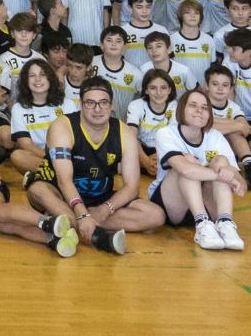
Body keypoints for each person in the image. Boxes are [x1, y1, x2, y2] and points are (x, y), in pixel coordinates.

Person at [25, 77, 166, 253]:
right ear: (81, 105)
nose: (97, 109)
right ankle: (97, 235)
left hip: (99, 198)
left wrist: (104, 210)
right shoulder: (62, 126)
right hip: (61, 193)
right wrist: (82, 215)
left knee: (155, 216)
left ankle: (61, 220)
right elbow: (64, 181)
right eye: (90, 103)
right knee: (38, 190)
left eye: (103, 103)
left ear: (111, 105)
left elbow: (132, 187)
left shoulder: (124, 132)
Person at [149, 88, 246, 250]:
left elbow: (239, 181)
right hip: (172, 204)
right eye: (193, 105)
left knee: (221, 161)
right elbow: (186, 169)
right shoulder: (166, 133)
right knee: (187, 162)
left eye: (204, 107)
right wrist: (221, 175)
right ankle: (201, 225)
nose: (199, 111)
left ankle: (225, 223)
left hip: (206, 202)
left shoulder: (215, 136)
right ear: (182, 109)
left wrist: (231, 173)